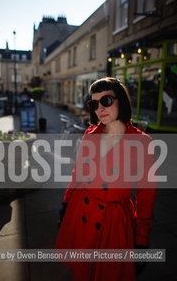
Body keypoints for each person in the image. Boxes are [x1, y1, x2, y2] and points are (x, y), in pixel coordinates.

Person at [55, 77, 156, 281]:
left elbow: (146, 196)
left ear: (121, 101)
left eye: (107, 101)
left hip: (113, 221)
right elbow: (78, 173)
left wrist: (142, 239)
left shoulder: (143, 143)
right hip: (81, 210)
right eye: (94, 103)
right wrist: (66, 203)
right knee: (82, 271)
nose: (100, 108)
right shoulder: (90, 134)